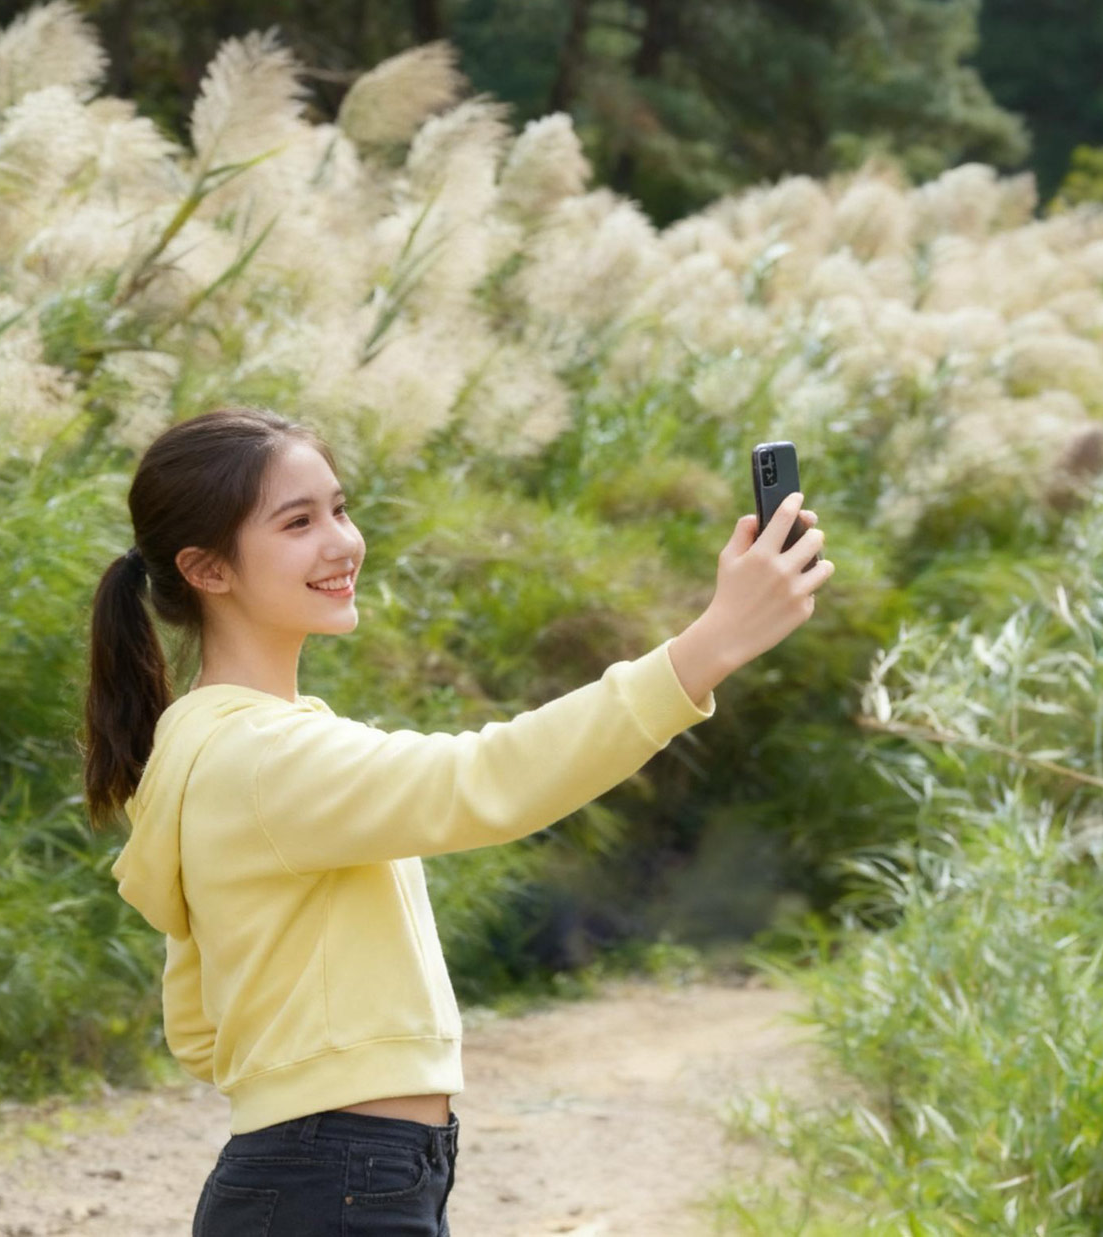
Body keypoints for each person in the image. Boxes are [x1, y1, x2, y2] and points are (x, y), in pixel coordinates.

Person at [79, 405, 834, 1236]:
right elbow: (487, 777)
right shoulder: (263, 757)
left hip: (331, 1171)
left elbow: (198, 1020)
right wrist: (713, 641)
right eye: (297, 522)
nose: (341, 541)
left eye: (339, 507)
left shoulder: (220, 746)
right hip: (332, 1176)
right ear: (206, 568)